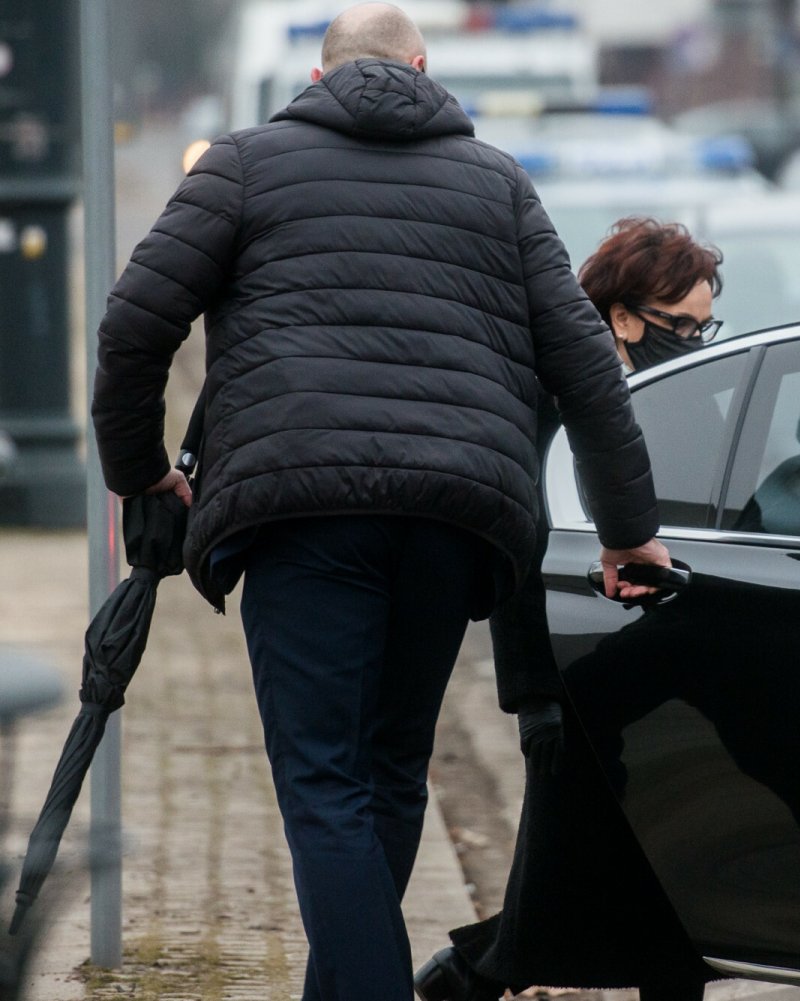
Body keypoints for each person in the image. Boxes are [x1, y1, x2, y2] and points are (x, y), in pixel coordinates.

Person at [89, 6, 669, 1000]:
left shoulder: (241, 166)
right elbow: (586, 366)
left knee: (325, 782)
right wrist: (631, 533)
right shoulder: (499, 183)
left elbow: (134, 327)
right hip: (454, 516)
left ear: (317, 80)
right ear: (424, 68)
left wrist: (141, 472)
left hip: (298, 509)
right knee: (393, 770)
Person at [416, 217, 723, 1001]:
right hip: (579, 660)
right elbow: (523, 552)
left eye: (704, 327)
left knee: (638, 850)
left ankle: (477, 971)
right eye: (679, 326)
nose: (693, 343)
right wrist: (534, 697)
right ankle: (476, 971)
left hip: (669, 650)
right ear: (622, 318)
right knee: (581, 848)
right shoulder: (546, 404)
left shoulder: (692, 399)